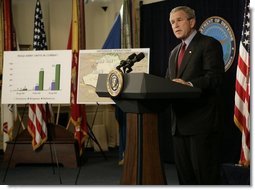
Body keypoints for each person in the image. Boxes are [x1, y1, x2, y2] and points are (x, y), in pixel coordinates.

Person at [165, 6, 225, 185]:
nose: (175, 25)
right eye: (172, 22)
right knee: (185, 179)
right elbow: (167, 82)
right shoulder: (173, 52)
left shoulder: (208, 44)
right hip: (179, 125)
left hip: (201, 125)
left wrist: (189, 85)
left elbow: (214, 78)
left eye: (180, 20)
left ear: (192, 21)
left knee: (205, 178)